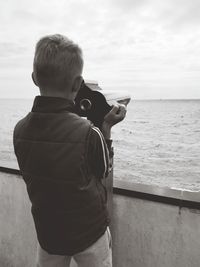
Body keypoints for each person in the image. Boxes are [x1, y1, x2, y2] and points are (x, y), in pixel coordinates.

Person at [13, 34, 126, 267]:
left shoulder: (19, 130)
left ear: (34, 78)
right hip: (89, 234)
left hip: (49, 234)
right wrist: (105, 127)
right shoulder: (88, 131)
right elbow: (104, 169)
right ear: (77, 84)